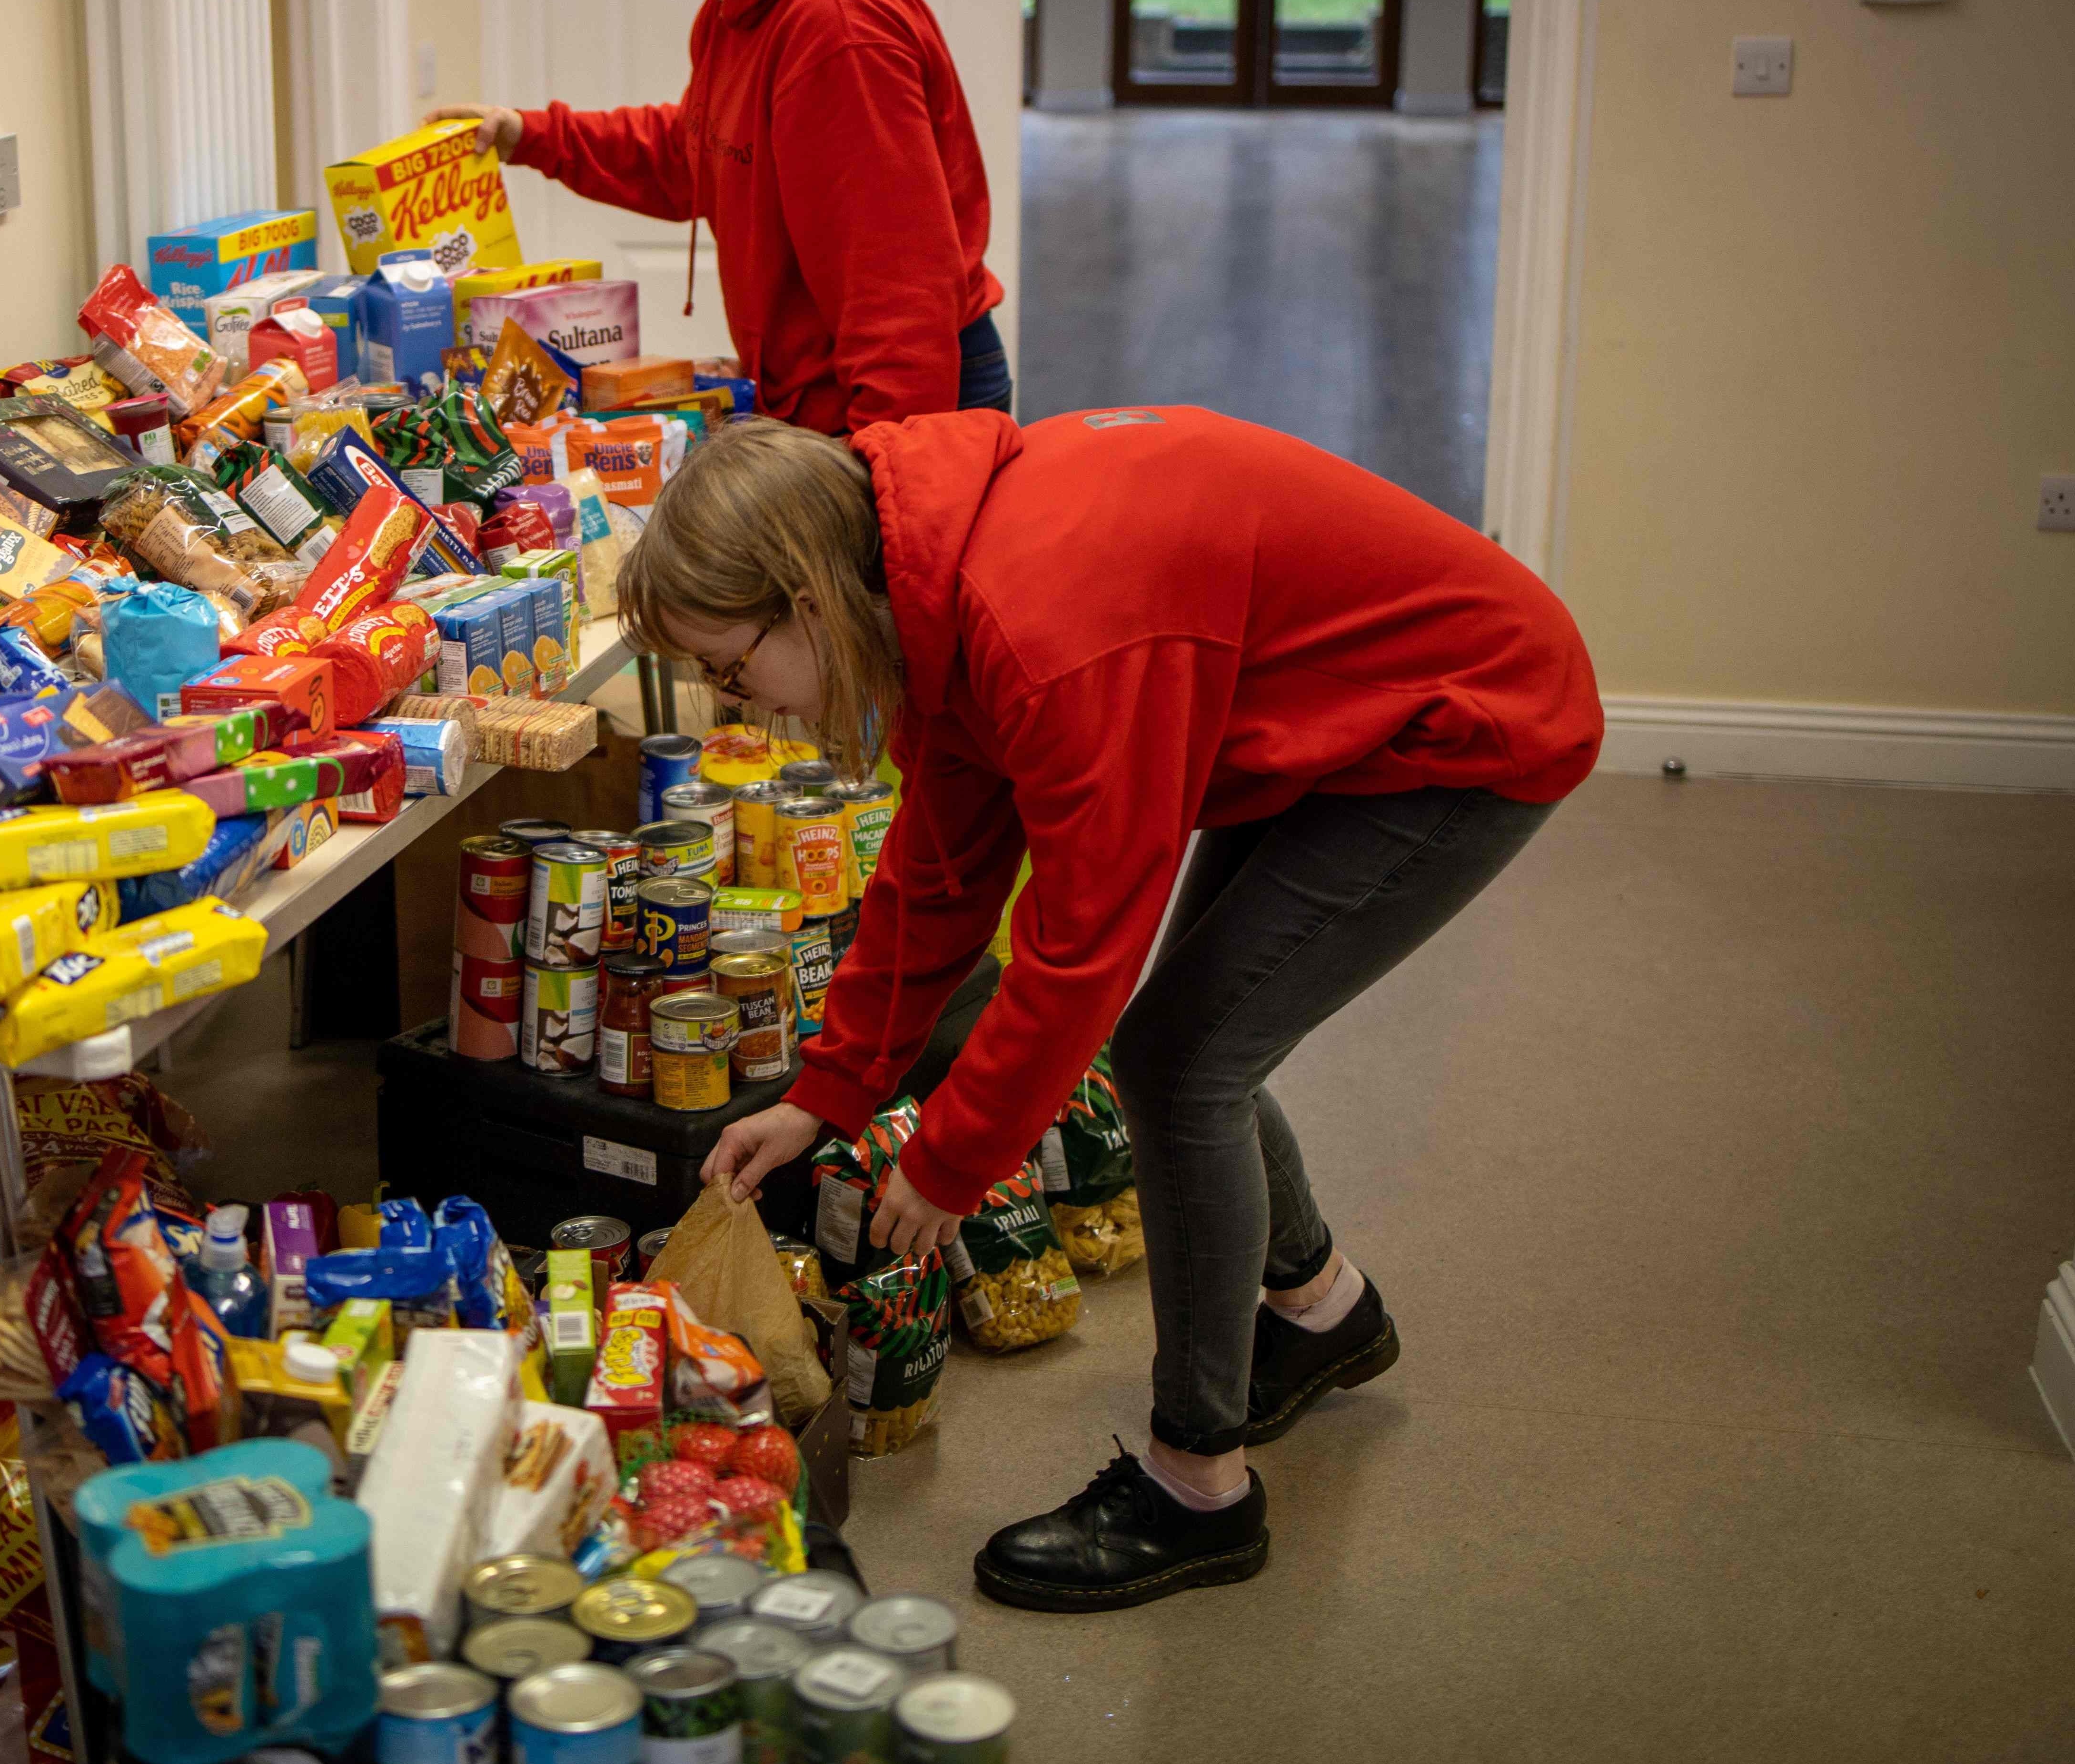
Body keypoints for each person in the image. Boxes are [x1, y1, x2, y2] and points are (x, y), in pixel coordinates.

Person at [634, 409, 1603, 1612]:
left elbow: (1081, 945)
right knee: (1192, 1047)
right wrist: (828, 1092)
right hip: (1320, 700)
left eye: (733, 667)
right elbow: (938, 876)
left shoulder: (1040, 627)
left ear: (811, 596)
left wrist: (951, 1161)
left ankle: (1201, 1487)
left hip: (1467, 718)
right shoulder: (926, 577)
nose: (738, 706)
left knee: (1187, 1058)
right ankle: (1322, 1311)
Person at [426, 0, 1007, 431]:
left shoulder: (839, 28)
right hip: (825, 393)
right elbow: (694, 156)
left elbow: (897, 303)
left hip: (899, 404)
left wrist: (889, 497)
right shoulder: (741, 0)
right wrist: (532, 136)